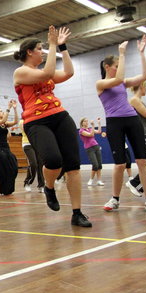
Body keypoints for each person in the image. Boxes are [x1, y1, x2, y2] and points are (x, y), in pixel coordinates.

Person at [13, 26, 92, 227]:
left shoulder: (42, 71)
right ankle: (49, 187)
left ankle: (77, 213)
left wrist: (62, 47)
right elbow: (48, 71)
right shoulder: (21, 72)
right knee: (54, 160)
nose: (43, 52)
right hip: (36, 121)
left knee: (73, 165)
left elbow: (68, 72)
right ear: (29, 52)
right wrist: (52, 44)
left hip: (60, 116)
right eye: (40, 49)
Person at [97, 35, 146, 213]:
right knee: (120, 164)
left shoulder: (123, 82)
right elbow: (118, 79)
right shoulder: (101, 84)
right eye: (116, 66)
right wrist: (122, 53)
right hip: (114, 123)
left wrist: (141, 53)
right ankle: (115, 199)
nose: (119, 68)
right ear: (107, 67)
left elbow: (145, 75)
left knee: (142, 161)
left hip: (131, 120)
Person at [125, 82, 146, 197]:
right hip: (145, 135)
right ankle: (135, 183)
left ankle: (136, 184)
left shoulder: (141, 101)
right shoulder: (135, 100)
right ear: (141, 86)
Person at [0, 100, 18, 195]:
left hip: (6, 148)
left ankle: (9, 188)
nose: (2, 112)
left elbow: (16, 121)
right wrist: (8, 108)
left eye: (2, 111)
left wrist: (14, 109)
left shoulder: (4, 124)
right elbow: (3, 120)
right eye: (0, 111)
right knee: (2, 170)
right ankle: (4, 190)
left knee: (13, 167)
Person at [19, 119, 45, 193]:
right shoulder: (22, 121)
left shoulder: (37, 120)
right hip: (27, 144)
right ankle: (27, 182)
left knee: (40, 164)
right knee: (33, 164)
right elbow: (27, 132)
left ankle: (41, 185)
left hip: (37, 144)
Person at [78, 117, 104, 186]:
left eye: (87, 121)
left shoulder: (89, 129)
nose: (86, 122)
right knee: (95, 165)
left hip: (96, 146)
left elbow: (99, 131)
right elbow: (91, 135)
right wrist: (93, 126)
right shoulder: (81, 131)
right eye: (85, 121)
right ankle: (91, 180)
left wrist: (99, 123)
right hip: (89, 148)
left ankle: (99, 180)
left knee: (99, 165)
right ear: (82, 123)